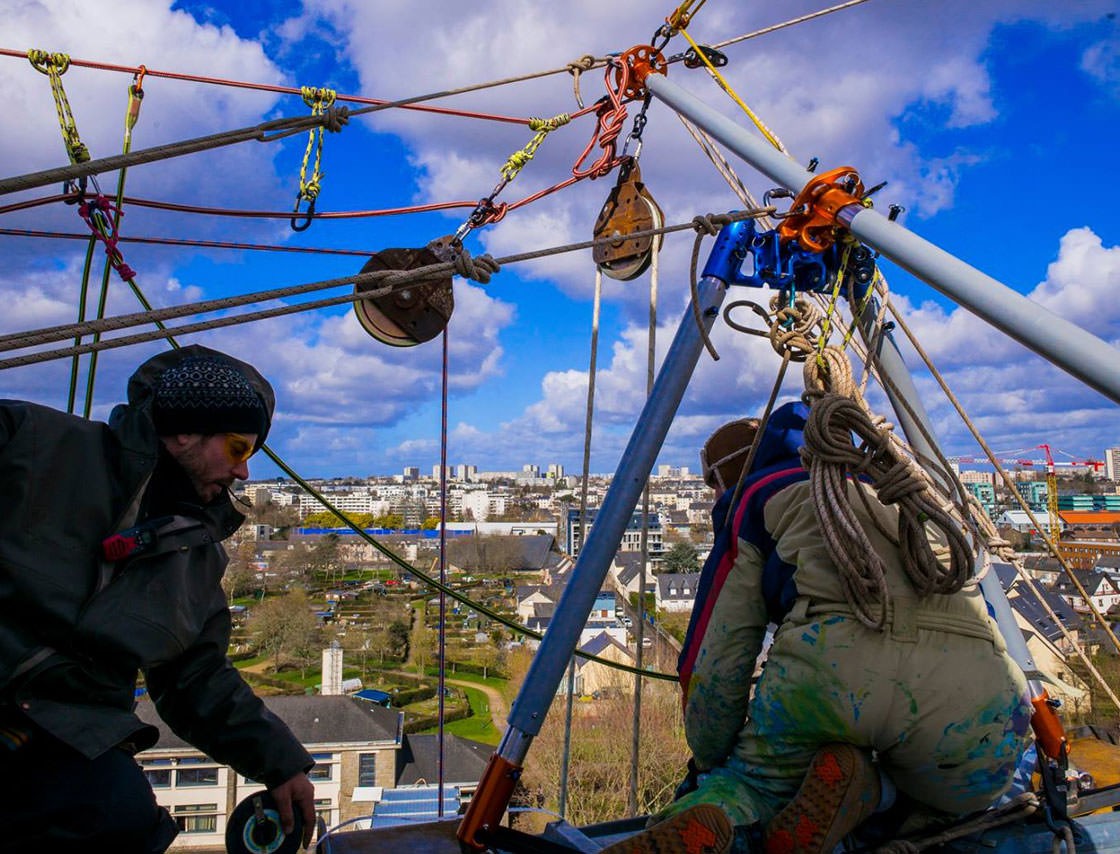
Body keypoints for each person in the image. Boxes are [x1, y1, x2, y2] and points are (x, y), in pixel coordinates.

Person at [607, 402, 1031, 854]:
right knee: (960, 798)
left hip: (834, 670)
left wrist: (714, 756)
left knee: (750, 787)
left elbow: (719, 655)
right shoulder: (904, 491)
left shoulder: (754, 497)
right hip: (976, 685)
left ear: (723, 478)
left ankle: (722, 822)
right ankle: (872, 793)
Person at [0, 345, 315, 852]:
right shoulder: (32, 446)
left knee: (121, 818)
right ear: (186, 431)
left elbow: (194, 677)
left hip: (68, 750)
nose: (244, 473)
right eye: (238, 448)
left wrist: (281, 762)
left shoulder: (197, 555)